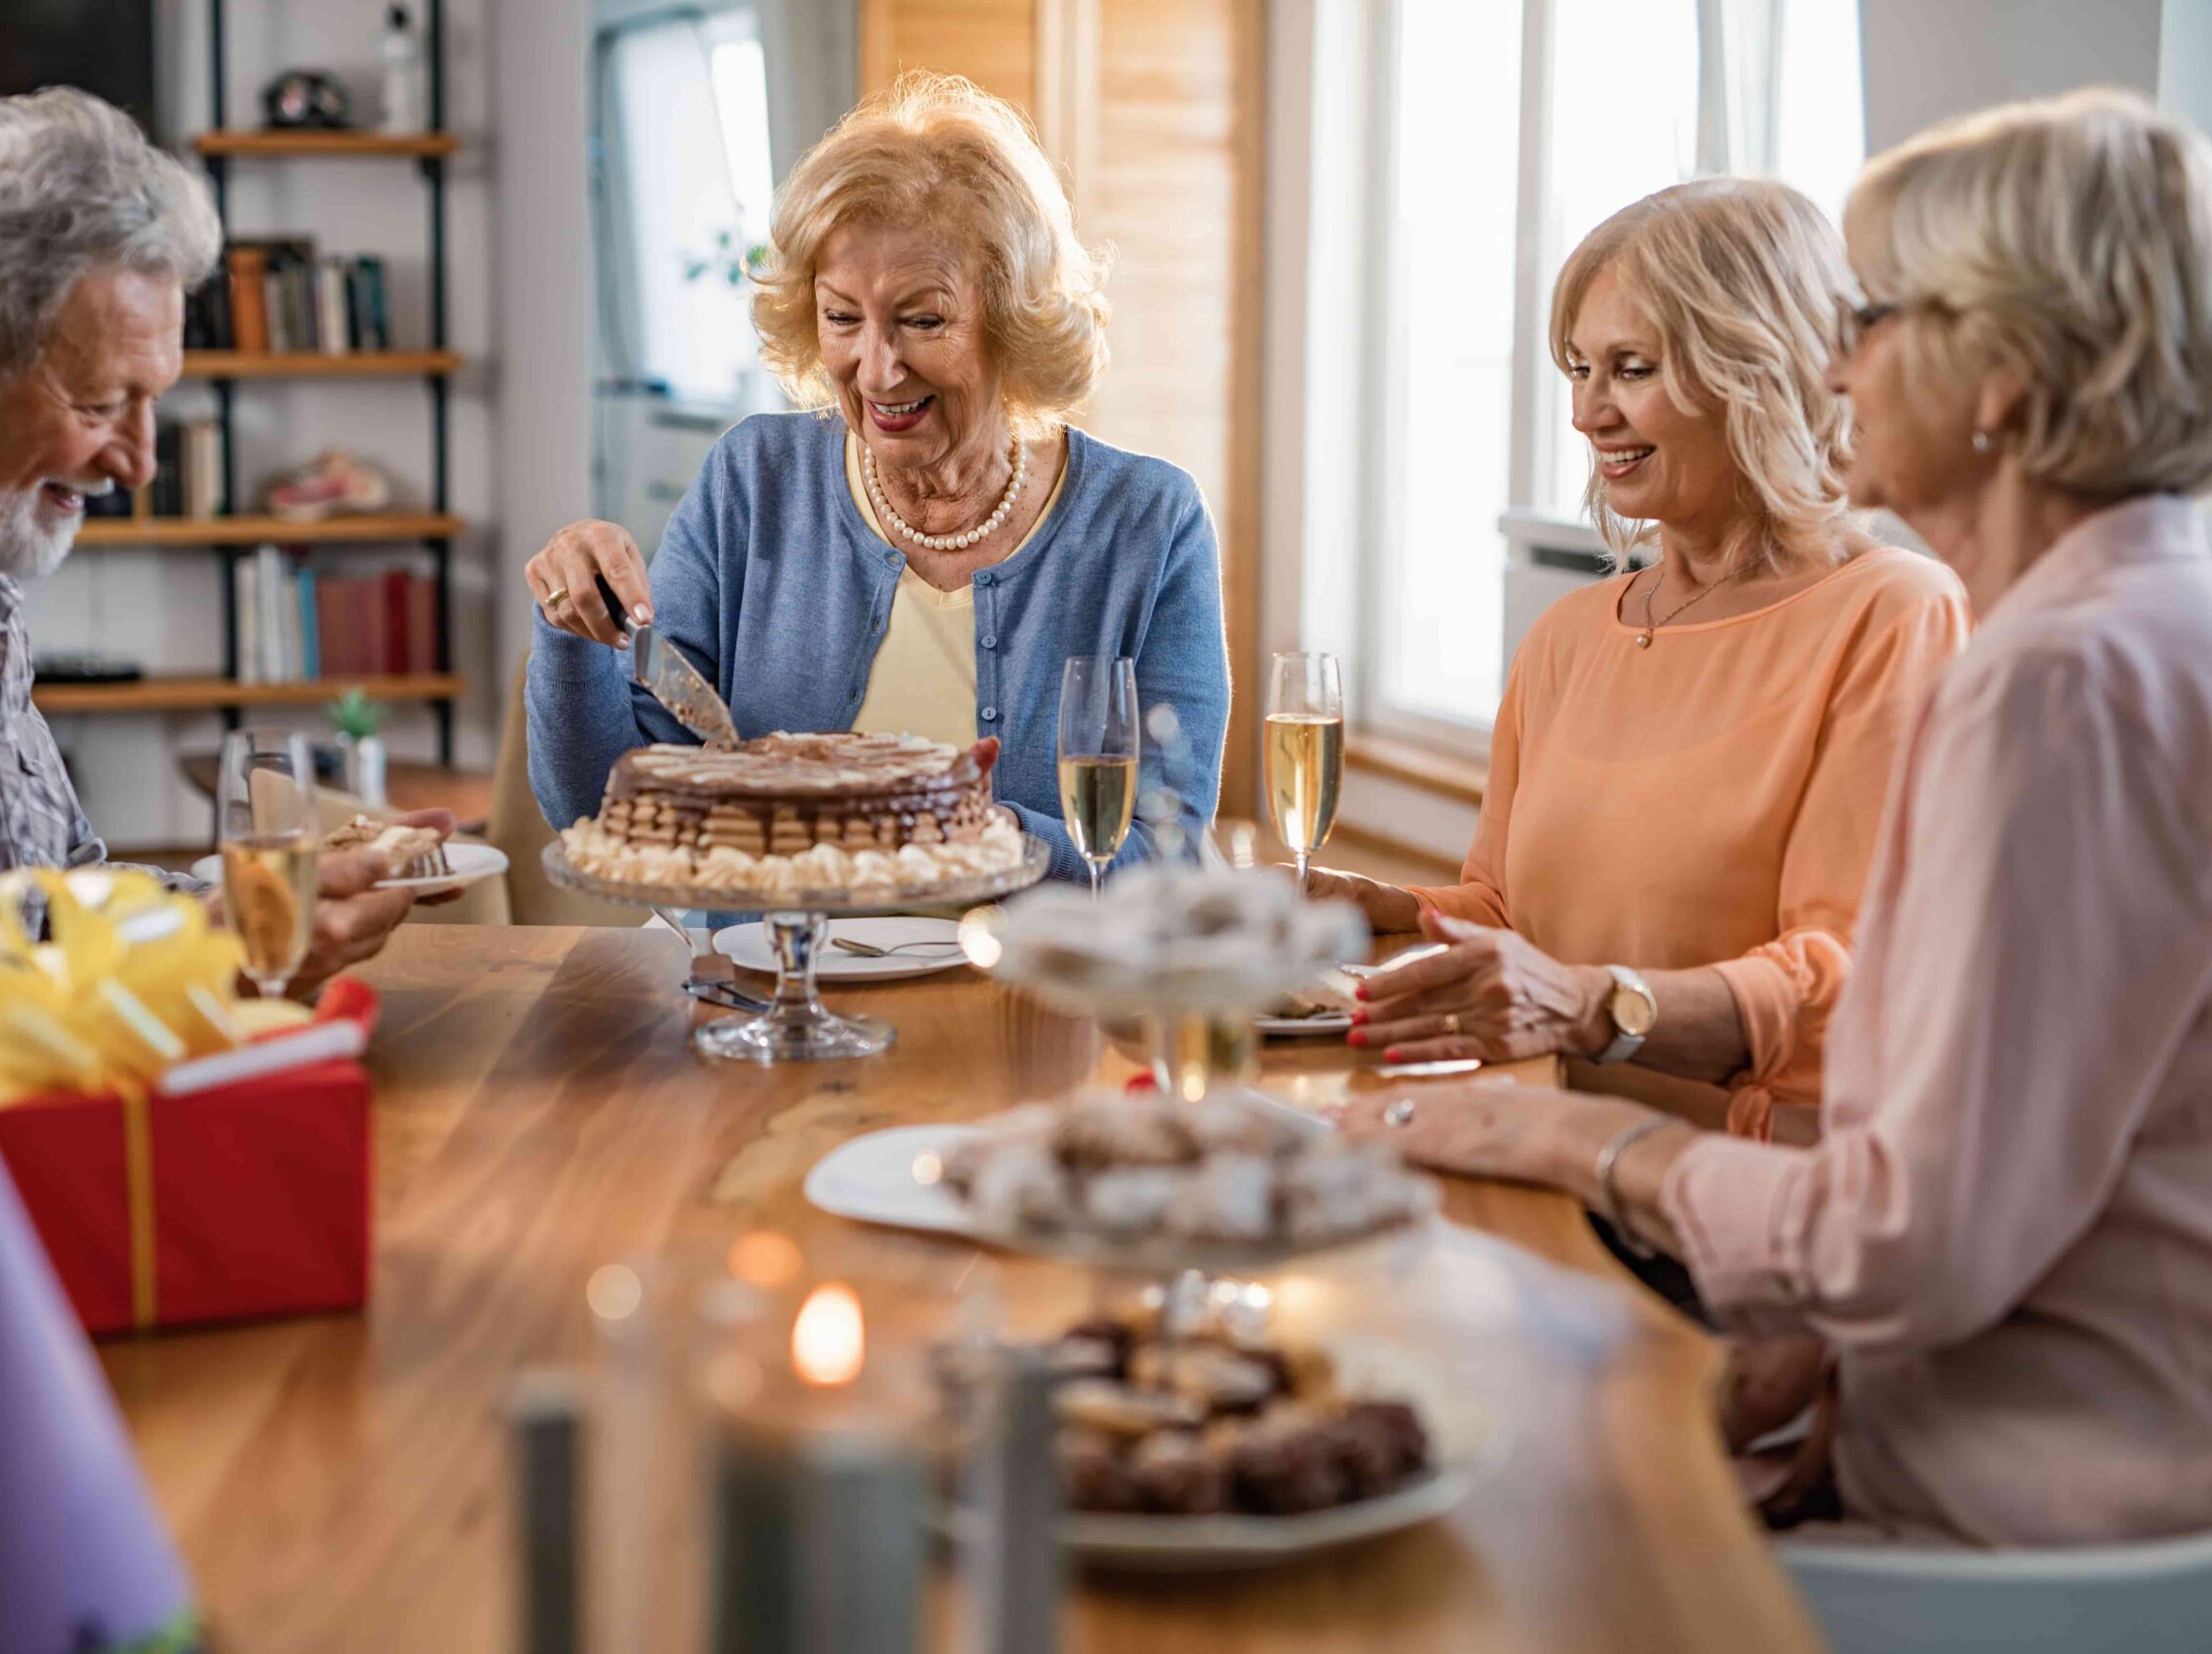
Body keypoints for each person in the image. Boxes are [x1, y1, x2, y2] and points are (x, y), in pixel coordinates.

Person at [1350, 88, 2212, 1548]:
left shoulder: (2045, 675)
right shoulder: (2137, 619)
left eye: (1871, 318)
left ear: (1997, 371)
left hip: (2014, 1517)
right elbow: (2008, 1166)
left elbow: (1900, 1231)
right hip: (1958, 1437)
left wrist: (1570, 1144)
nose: (1838, 362)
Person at [0, 91, 436, 1297]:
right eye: (102, 404)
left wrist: (241, 919)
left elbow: (53, 910)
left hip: (17, 1228)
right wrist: (181, 974)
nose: (143, 460)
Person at [1312, 179, 1965, 1140]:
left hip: (1732, 1203)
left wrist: (1590, 1007)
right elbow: (1505, 914)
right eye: (1577, 368)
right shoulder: (1568, 637)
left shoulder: (1892, 616)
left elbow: (1848, 978)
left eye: (1631, 368)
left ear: (1761, 368)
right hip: (1532, 1144)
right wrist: (1379, 909)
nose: (1586, 412)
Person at [523, 74, 1228, 881]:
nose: (878, 370)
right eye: (842, 317)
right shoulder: (754, 482)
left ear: (1011, 319)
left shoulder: (1148, 523)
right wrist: (572, 633)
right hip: (769, 991)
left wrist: (952, 820)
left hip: (1025, 1001)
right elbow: (601, 806)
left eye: (923, 320)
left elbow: (1166, 859)